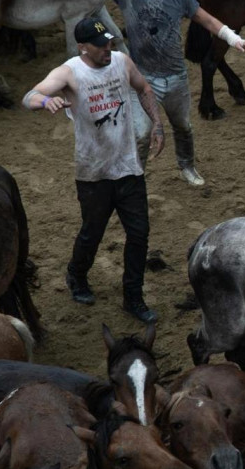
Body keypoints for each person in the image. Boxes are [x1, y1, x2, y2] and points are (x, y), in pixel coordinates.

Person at [22, 17, 166, 324]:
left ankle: (133, 297)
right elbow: (29, 96)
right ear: (82, 47)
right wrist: (46, 101)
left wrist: (157, 124)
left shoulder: (122, 62)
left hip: (128, 167)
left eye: (110, 42)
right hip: (93, 172)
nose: (108, 48)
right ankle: (76, 274)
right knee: (93, 231)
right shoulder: (70, 71)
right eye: (100, 45)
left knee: (139, 234)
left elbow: (143, 88)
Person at [81, 0, 245, 186]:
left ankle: (187, 166)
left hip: (176, 78)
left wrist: (233, 38)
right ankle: (135, 176)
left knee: (183, 127)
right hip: (142, 80)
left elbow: (207, 20)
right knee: (141, 133)